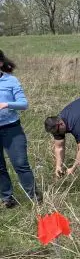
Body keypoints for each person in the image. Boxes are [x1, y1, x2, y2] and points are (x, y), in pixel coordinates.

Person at [0, 51, 38, 208]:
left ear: (0, 63)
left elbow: (24, 104)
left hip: (11, 129)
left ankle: (34, 197)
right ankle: (7, 199)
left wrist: (7, 104)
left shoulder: (11, 81)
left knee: (20, 163)